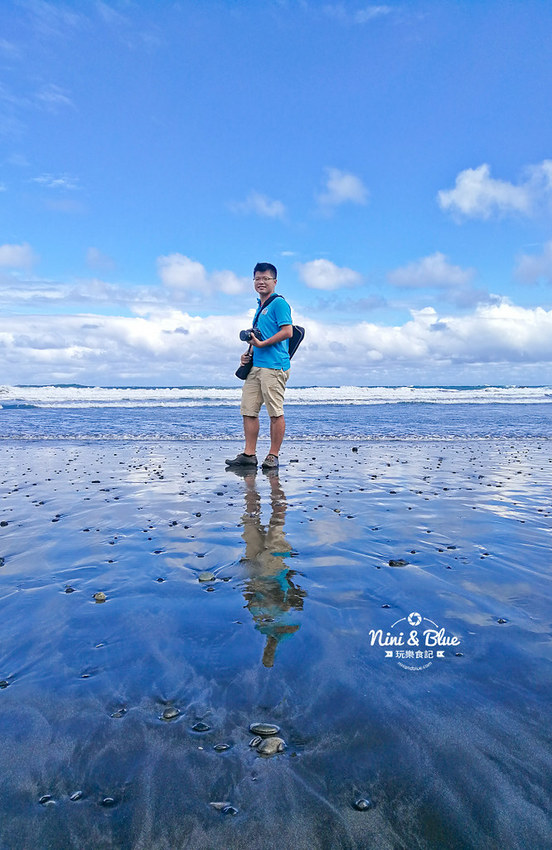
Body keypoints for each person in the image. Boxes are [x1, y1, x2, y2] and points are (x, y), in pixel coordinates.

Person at [226, 262, 293, 470]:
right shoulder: (260, 307)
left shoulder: (279, 304)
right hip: (256, 366)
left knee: (275, 412)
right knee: (248, 410)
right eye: (257, 278)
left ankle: (273, 455)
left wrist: (262, 344)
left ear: (275, 281)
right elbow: (260, 336)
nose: (261, 282)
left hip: (274, 367)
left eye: (265, 278)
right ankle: (249, 454)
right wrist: (248, 354)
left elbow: (287, 331)